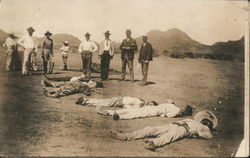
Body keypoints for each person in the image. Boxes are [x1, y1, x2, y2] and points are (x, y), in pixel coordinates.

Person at [110, 110, 218, 151]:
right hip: (173, 124)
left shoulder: (205, 128)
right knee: (151, 129)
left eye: (208, 122)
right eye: (205, 120)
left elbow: (208, 136)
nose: (206, 122)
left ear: (209, 124)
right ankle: (126, 136)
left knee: (168, 137)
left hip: (184, 130)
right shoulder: (191, 119)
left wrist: (196, 133)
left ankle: (153, 143)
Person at [97, 101, 195, 120]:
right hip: (155, 110)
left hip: (154, 109)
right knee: (135, 113)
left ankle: (111, 112)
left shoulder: (174, 107)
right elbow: (167, 116)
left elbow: (168, 113)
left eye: (185, 108)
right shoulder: (175, 110)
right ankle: (113, 113)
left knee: (133, 111)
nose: (183, 108)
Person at [75, 96, 145, 108]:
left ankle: (87, 101)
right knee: (102, 103)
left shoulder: (138, 101)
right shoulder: (139, 102)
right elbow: (129, 106)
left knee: (102, 102)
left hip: (120, 100)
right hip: (119, 100)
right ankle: (87, 102)